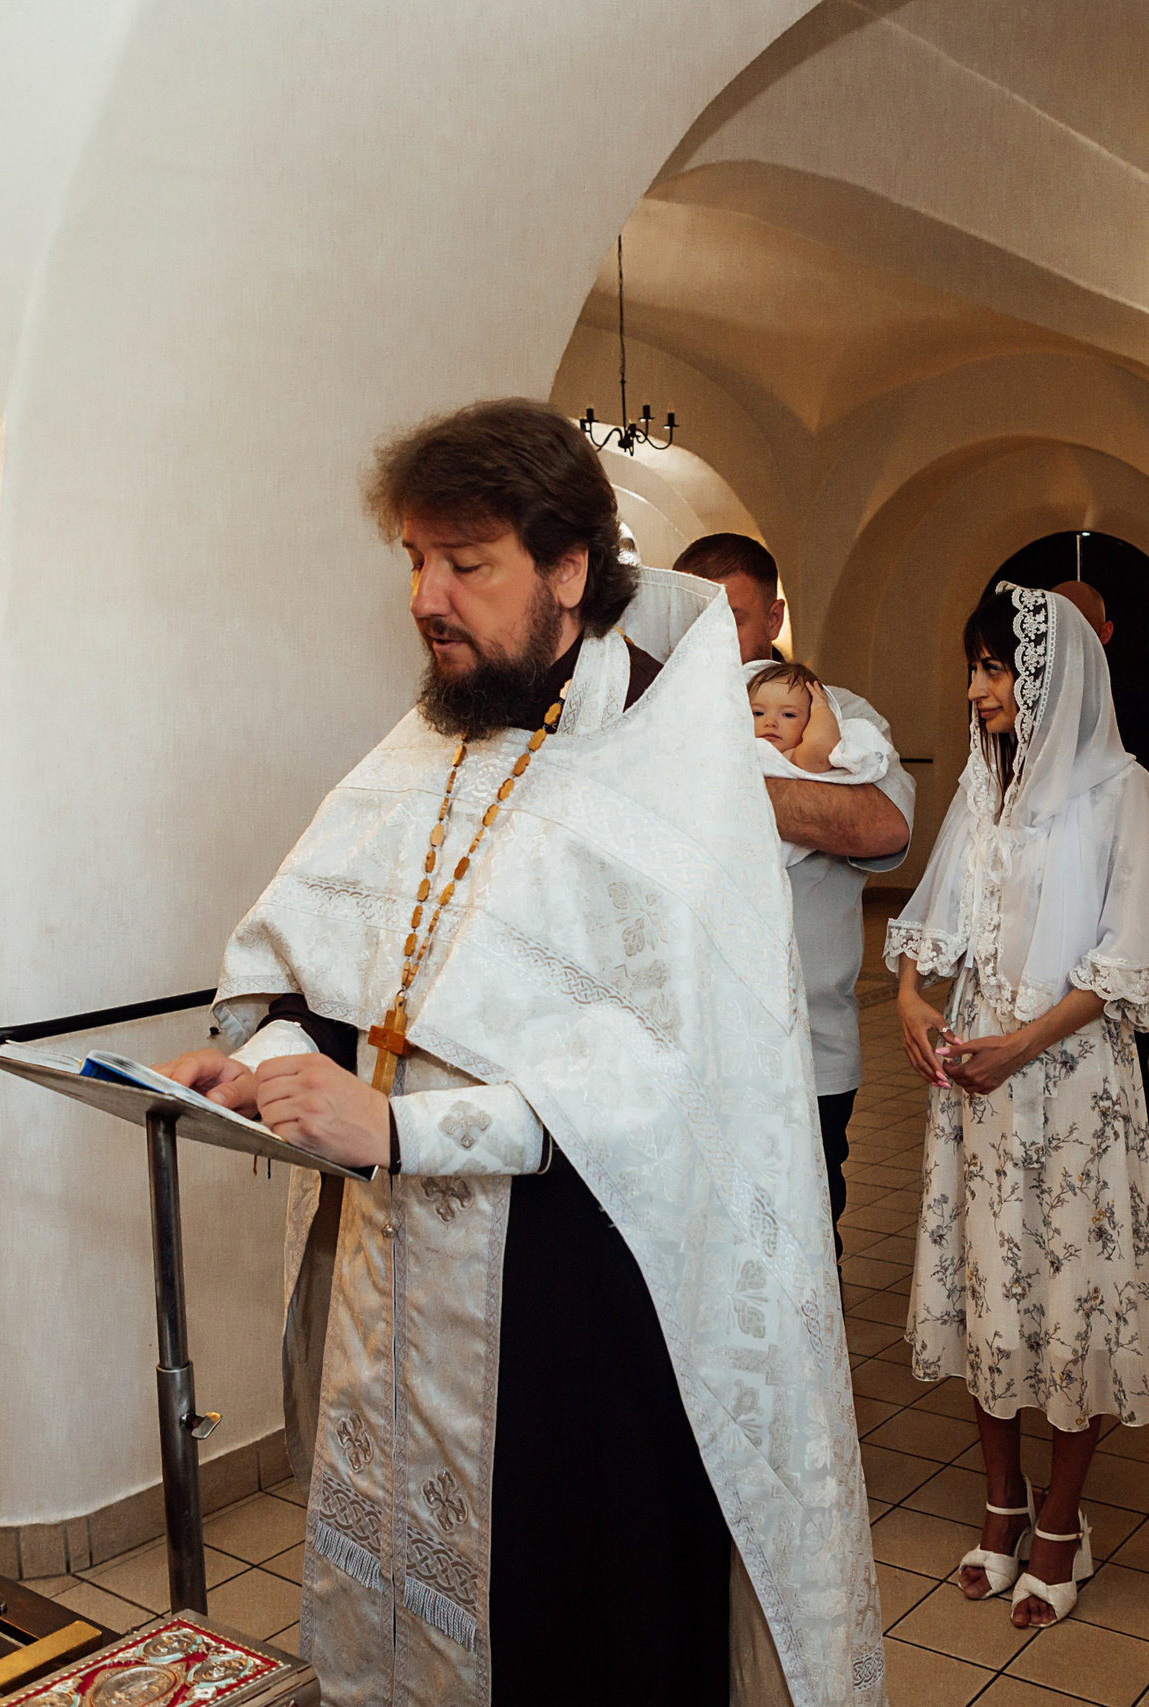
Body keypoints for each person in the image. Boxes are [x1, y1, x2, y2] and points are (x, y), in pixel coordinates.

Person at [153, 402, 882, 1706]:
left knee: (575, 1620)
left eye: (465, 562)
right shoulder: (426, 735)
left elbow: (673, 1077)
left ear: (565, 569)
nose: (427, 597)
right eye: (415, 560)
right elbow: (299, 960)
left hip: (586, 1297)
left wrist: (400, 1129)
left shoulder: (670, 756)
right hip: (398, 1280)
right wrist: (267, 1056)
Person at [889, 586, 1149, 1631]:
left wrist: (1021, 1041)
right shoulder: (985, 788)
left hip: (1069, 1077)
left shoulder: (1120, 790)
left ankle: (1062, 1521)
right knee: (992, 1286)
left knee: (1071, 1289)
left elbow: (1130, 959)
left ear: (1048, 674)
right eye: (974, 670)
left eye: (994, 670)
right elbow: (933, 926)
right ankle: (1000, 1503)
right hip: (980, 1081)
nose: (977, 692)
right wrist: (910, 1003)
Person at [681, 533, 914, 1251]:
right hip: (691, 1049)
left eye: (735, 617)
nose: (716, 641)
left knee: (802, 1251)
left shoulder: (834, 712)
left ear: (775, 616)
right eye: (695, 620)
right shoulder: (658, 718)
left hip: (807, 1051)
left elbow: (881, 824)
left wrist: (725, 777)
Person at [1051, 578, 1149, 1106]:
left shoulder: (1137, 705)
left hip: (1118, 895)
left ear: (1104, 633)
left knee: (1124, 1050)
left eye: (1083, 625)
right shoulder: (1024, 709)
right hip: (1053, 903)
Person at [748, 662, 900, 865]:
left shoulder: (792, 757)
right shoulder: (738, 746)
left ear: (809, 725)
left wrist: (820, 709)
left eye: (788, 715)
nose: (770, 722)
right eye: (758, 713)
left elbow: (820, 748)